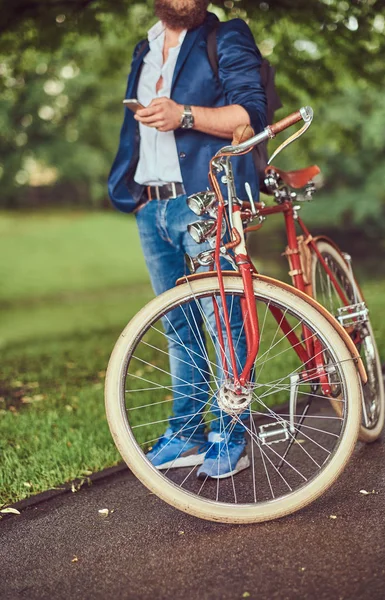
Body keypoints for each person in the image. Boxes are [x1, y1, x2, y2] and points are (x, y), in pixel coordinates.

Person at [108, 0, 267, 479]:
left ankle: (230, 433)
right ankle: (185, 433)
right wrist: (132, 194)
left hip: (206, 198)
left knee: (224, 320)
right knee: (178, 326)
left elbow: (250, 116)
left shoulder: (227, 36)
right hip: (151, 207)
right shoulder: (145, 48)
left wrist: (186, 116)